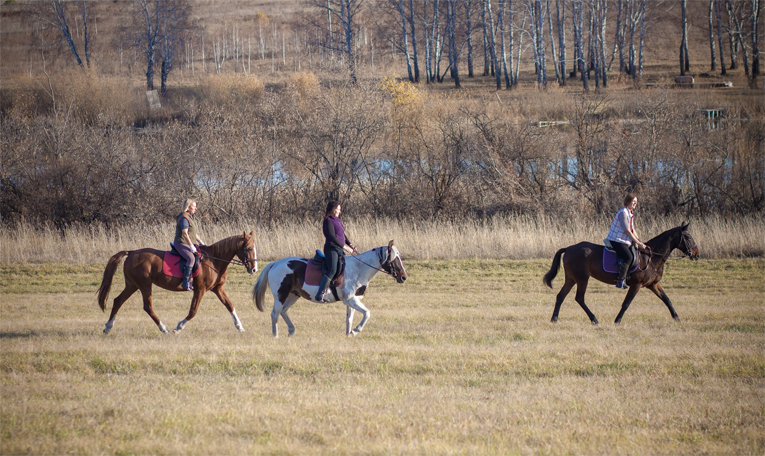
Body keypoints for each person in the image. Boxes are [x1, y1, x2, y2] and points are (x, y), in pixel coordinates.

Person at [315, 200, 356, 302]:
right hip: (331, 249)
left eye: (340, 209)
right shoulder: (328, 221)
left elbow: (342, 234)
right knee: (332, 269)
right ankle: (320, 294)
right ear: (332, 209)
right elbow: (332, 237)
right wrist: (344, 247)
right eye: (338, 209)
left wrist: (350, 244)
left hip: (339, 249)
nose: (339, 211)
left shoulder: (338, 220)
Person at [605, 193, 647, 289]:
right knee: (628, 257)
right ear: (628, 202)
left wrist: (639, 241)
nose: (635, 204)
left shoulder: (630, 213)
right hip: (616, 240)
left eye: (636, 202)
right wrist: (637, 243)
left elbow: (633, 229)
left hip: (623, 240)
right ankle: (620, 281)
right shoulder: (623, 213)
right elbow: (627, 231)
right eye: (633, 202)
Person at [174, 199, 205, 291]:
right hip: (181, 243)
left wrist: (201, 242)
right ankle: (185, 282)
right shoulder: (184, 218)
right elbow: (185, 233)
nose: (196, 208)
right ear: (189, 207)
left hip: (188, 243)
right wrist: (191, 245)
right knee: (191, 258)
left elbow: (193, 233)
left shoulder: (190, 217)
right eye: (194, 206)